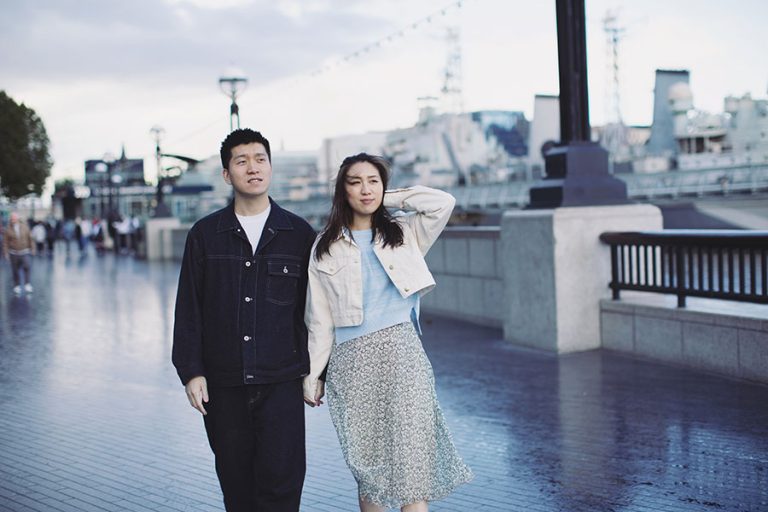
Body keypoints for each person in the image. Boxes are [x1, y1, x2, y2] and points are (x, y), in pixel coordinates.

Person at [303, 153, 472, 512]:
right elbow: (319, 320)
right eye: (355, 182)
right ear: (341, 190)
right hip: (352, 362)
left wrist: (386, 198)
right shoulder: (325, 247)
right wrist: (314, 375)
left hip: (403, 353)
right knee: (371, 470)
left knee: (412, 464)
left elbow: (443, 203)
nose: (365, 189)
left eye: (373, 181)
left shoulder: (404, 232)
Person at [172, 128, 316, 512]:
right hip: (224, 384)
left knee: (283, 490)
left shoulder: (299, 234)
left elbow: (315, 312)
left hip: (281, 382)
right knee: (237, 491)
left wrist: (316, 372)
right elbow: (189, 307)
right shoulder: (205, 234)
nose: (253, 168)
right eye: (241, 161)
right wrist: (191, 371)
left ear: (270, 167)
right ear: (226, 174)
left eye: (260, 159)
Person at [2, 212, 36, 295]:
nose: (13, 220)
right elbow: (5, 242)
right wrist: (6, 253)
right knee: (15, 270)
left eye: (14, 218)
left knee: (27, 267)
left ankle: (27, 284)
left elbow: (30, 238)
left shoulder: (25, 227)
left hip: (24, 251)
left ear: (17, 218)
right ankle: (17, 285)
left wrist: (33, 248)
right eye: (11, 218)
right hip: (14, 253)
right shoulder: (8, 229)